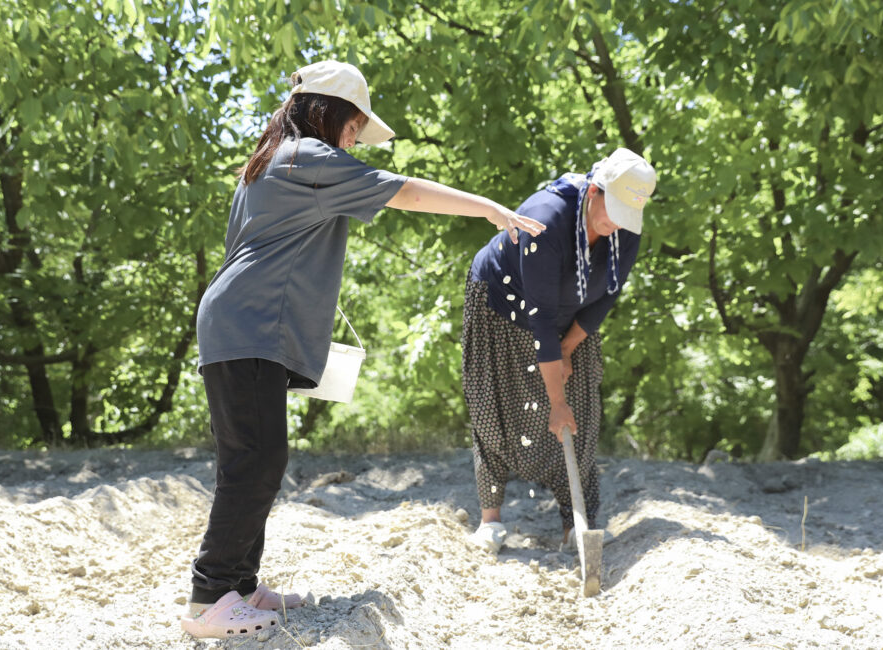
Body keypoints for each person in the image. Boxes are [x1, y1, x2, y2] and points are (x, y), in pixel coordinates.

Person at [181, 60, 545, 639]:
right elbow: (406, 194)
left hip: (240, 323)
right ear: (329, 114)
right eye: (354, 126)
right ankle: (209, 598)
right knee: (256, 460)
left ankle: (241, 585)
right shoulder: (310, 159)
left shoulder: (272, 158)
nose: (355, 139)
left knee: (255, 458)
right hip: (249, 325)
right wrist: (489, 208)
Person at [461, 148, 656, 553]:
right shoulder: (545, 220)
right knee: (494, 407)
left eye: (624, 216)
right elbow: (541, 315)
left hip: (574, 318)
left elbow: (607, 296)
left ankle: (576, 524)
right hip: (503, 302)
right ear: (594, 191)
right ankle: (491, 519)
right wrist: (555, 400)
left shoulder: (627, 227)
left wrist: (568, 348)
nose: (613, 224)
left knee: (579, 412)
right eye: (610, 210)